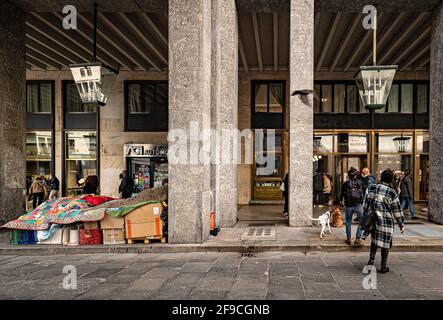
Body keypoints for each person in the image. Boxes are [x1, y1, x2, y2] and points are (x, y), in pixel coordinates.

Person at [363, 169, 405, 273]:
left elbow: (365, 204)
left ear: (381, 177)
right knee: (386, 243)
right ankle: (383, 266)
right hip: (387, 222)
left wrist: (367, 214)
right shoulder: (392, 193)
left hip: (374, 220)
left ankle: (371, 261)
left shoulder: (371, 187)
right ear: (391, 179)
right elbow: (397, 211)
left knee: (374, 241)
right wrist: (401, 224)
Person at [340, 168, 365, 246]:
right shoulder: (360, 182)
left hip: (349, 205)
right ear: (356, 175)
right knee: (361, 221)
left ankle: (348, 239)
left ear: (348, 175)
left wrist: (341, 201)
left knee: (348, 222)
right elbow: (364, 192)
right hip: (359, 204)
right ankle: (358, 238)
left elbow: (342, 194)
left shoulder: (346, 183)